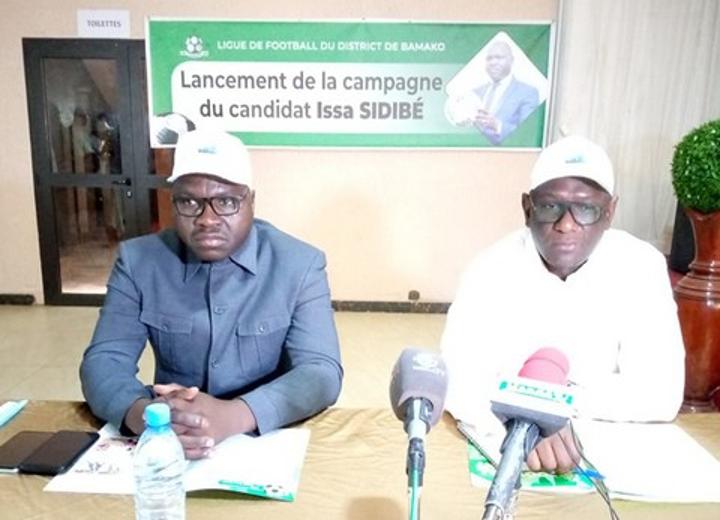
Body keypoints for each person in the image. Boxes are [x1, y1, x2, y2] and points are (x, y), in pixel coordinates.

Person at [80, 129, 343, 459]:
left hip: (264, 439)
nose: (207, 219)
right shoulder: (139, 261)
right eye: (189, 202)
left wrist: (232, 415)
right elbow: (104, 360)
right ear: (173, 203)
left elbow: (321, 371)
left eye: (226, 202)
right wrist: (147, 416)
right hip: (170, 436)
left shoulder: (299, 264)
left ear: (251, 202)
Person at [440, 135, 685, 473]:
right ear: (527, 209)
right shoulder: (489, 269)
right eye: (550, 207)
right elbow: (456, 381)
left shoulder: (641, 267)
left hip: (613, 450)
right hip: (507, 445)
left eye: (586, 209)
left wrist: (545, 406)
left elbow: (660, 394)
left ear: (610, 212)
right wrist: (528, 417)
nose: (566, 225)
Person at [447, 41, 539, 145]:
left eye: (499, 57)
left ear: (511, 60)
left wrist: (497, 125)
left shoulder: (528, 93)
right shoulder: (475, 93)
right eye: (489, 58)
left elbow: (528, 135)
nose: (493, 62)